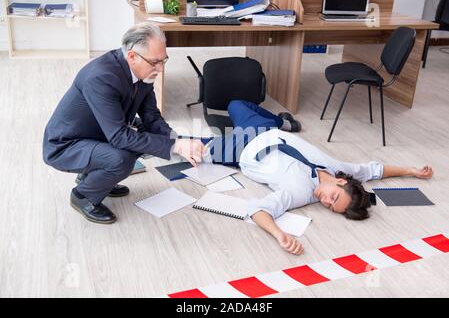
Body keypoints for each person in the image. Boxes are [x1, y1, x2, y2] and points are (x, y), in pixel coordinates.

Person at [201, 100, 434, 255]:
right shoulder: (340, 169)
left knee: (195, 149)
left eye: (330, 206)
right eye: (333, 197)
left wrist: (279, 235)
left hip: (240, 149)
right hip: (265, 129)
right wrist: (410, 170)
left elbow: (259, 210)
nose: (325, 201)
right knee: (234, 104)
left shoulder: (301, 193)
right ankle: (283, 121)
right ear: (342, 182)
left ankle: (219, 138)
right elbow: (375, 170)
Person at [43, 23, 205, 224]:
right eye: (155, 62)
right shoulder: (101, 77)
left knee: (144, 138)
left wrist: (178, 142)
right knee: (121, 159)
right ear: (131, 57)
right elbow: (119, 136)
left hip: (99, 133)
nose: (161, 68)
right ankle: (83, 195)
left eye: (164, 60)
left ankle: (93, 177)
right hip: (66, 145)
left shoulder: (144, 70)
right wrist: (174, 146)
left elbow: (152, 118)